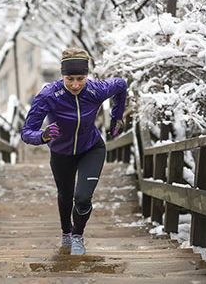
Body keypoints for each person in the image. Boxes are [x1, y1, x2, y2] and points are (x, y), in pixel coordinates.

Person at [20, 47, 127, 255]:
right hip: (61, 153)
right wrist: (42, 136)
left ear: (87, 75)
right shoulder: (48, 95)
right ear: (62, 75)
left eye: (81, 78)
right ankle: (66, 232)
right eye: (70, 78)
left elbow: (121, 85)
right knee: (65, 196)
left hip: (91, 148)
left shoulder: (96, 90)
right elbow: (26, 132)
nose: (76, 84)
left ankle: (78, 236)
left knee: (83, 198)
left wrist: (117, 116)